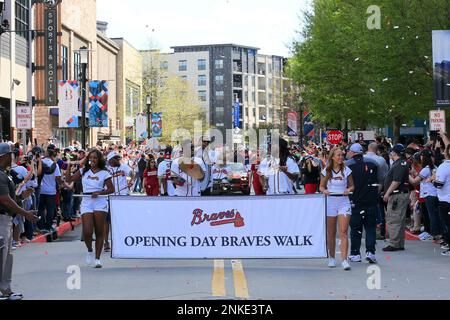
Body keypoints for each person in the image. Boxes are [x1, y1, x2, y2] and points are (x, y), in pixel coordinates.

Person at [0, 143, 39, 300]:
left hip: (7, 219)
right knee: (2, 255)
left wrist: (23, 197)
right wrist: (25, 214)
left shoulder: (5, 173)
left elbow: (11, 198)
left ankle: (6, 290)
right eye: (10, 154)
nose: (13, 157)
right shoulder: (0, 175)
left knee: (7, 256)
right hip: (1, 218)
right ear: (3, 156)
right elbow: (4, 200)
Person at [65, 149, 114, 268]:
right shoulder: (83, 170)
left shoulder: (104, 172)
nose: (92, 160)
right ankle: (89, 250)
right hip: (86, 201)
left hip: (100, 202)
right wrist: (69, 165)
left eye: (95, 158)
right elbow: (69, 180)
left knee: (99, 231)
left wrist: (100, 192)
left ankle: (97, 259)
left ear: (99, 159)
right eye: (90, 157)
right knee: (87, 232)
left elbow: (111, 189)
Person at [319, 147, 354, 270]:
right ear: (332, 157)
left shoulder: (346, 170)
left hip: (344, 202)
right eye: (338, 155)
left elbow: (352, 186)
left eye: (342, 155)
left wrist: (348, 190)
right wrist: (325, 191)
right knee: (331, 232)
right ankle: (332, 258)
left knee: (344, 231)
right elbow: (321, 187)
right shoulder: (326, 171)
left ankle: (344, 260)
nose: (340, 157)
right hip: (330, 202)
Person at [346, 144, 380, 264]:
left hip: (355, 200)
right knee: (370, 227)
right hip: (371, 200)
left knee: (355, 228)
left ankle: (355, 253)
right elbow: (379, 180)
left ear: (352, 152)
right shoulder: (373, 163)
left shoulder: (348, 165)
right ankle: (371, 252)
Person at [382, 144, 410, 252]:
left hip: (397, 195)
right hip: (401, 194)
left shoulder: (399, 164)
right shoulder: (403, 163)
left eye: (392, 151)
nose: (390, 153)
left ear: (394, 152)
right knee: (400, 219)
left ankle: (394, 244)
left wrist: (387, 193)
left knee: (393, 218)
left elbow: (396, 181)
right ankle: (399, 243)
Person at [409, 149, 442, 241]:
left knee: (431, 215)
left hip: (429, 194)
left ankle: (434, 234)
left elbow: (414, 182)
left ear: (424, 157)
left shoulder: (426, 169)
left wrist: (407, 173)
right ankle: (435, 233)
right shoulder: (434, 167)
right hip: (435, 194)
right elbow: (421, 176)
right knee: (434, 215)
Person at [105, 151, 134, 252]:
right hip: (109, 196)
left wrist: (131, 180)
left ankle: (123, 241)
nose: (118, 159)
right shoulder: (105, 169)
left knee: (123, 219)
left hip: (122, 197)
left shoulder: (123, 166)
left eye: (118, 158)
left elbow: (132, 173)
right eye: (115, 158)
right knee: (106, 221)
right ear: (110, 160)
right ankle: (106, 242)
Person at [37, 145, 63, 234]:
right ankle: (48, 226)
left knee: (40, 209)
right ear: (53, 155)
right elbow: (58, 177)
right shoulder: (54, 165)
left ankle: (41, 226)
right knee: (50, 209)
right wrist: (60, 184)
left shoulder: (40, 162)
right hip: (51, 191)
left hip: (41, 190)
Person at [435, 144, 450, 256]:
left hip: (446, 200)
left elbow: (439, 184)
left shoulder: (444, 167)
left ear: (446, 153)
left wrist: (432, 180)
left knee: (447, 224)